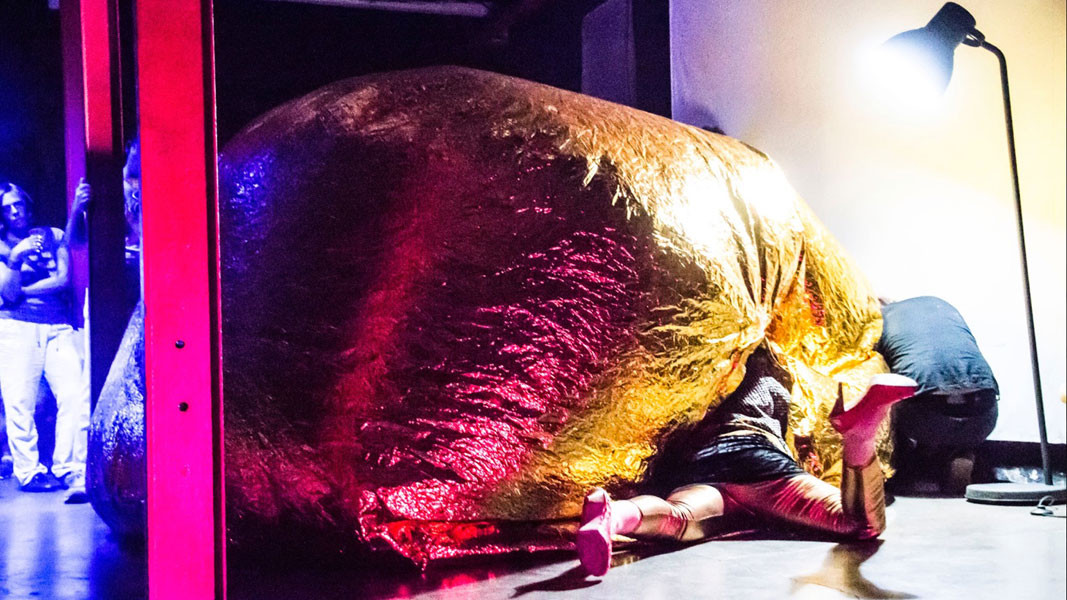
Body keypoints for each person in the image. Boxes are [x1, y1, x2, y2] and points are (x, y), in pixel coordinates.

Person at [575, 347, 917, 576]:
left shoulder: (702, 368)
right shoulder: (765, 368)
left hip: (703, 464)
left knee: (678, 518)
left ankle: (612, 516)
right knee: (861, 524)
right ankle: (859, 438)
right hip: (755, 459)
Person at [0, 181, 91, 502]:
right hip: (16, 327)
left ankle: (69, 466)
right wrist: (15, 260)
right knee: (19, 400)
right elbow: (7, 293)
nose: (15, 212)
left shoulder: (51, 234)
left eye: (18, 204)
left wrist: (21, 291)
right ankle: (29, 471)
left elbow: (62, 279)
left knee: (74, 393)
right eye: (7, 208)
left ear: (27, 204)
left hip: (57, 325)